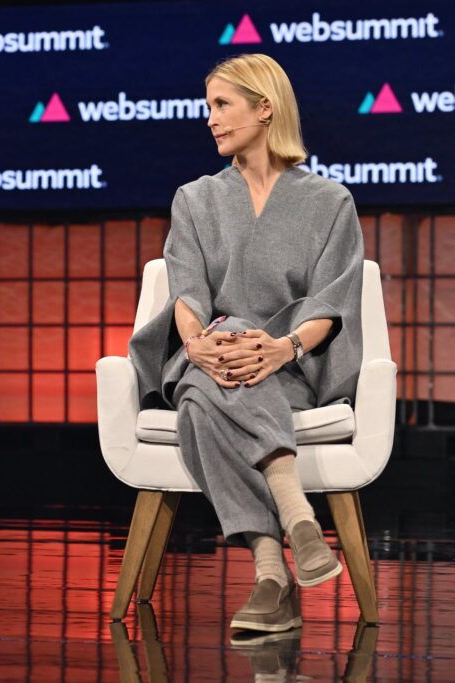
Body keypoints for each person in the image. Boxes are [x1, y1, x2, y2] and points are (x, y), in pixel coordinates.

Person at [128, 53, 363, 635]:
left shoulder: (330, 202)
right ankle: (297, 518)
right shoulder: (196, 198)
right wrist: (198, 343)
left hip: (288, 362)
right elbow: (186, 289)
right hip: (210, 350)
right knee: (217, 353)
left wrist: (285, 348)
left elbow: (331, 301)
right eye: (208, 107)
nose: (210, 119)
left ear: (265, 108)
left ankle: (269, 575)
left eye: (221, 105)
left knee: (196, 410)